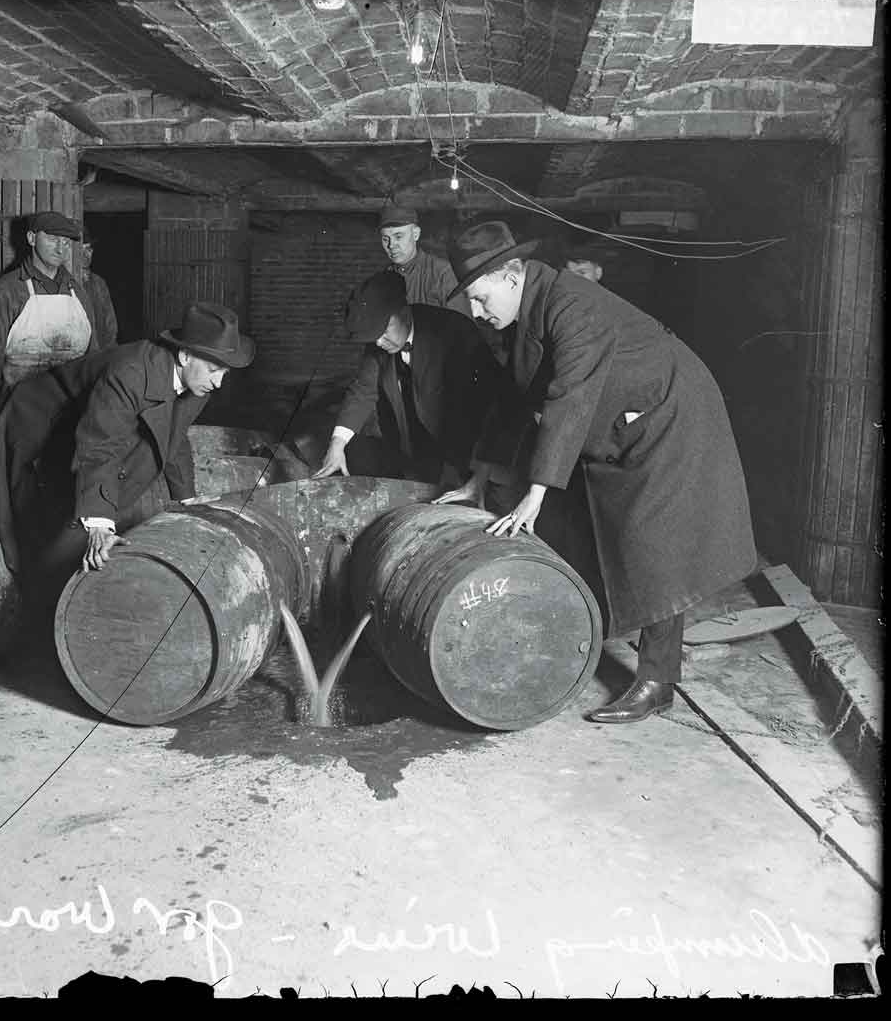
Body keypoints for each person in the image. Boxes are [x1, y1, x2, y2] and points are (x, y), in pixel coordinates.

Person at [436, 221, 757, 724]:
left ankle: (658, 681)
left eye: (480, 298)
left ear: (513, 274)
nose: (477, 311)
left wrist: (535, 491)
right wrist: (479, 476)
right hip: (620, 422)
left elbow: (570, 395)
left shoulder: (572, 301)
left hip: (669, 415)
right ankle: (586, 632)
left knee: (655, 547)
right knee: (595, 530)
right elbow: (512, 400)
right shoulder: (522, 313)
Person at [0, 302, 255, 609]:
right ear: (185, 356)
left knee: (91, 505)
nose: (219, 381)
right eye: (213, 370)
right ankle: (28, 605)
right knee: (38, 527)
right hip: (39, 418)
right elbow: (100, 445)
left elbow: (174, 433)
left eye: (224, 372)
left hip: (85, 421)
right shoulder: (130, 373)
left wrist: (186, 496)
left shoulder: (200, 384)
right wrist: (100, 522)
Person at [311, 270, 504, 488]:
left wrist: (458, 465)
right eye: (374, 338)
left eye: (384, 333)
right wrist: (337, 445)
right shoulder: (378, 342)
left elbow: (476, 405)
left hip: (470, 448)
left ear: (403, 312)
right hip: (411, 445)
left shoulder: (454, 331)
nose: (379, 344)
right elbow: (363, 391)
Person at [0, 211, 112, 429]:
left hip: (70, 411)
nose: (60, 248)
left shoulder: (78, 293)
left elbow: (92, 357)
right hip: (18, 412)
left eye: (65, 242)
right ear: (31, 238)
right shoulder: (6, 292)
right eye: (52, 239)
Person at [375, 205, 473, 318]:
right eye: (385, 239)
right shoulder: (384, 278)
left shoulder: (443, 273)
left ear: (415, 234)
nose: (391, 245)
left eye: (398, 236)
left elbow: (464, 327)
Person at [78, 232, 120, 348]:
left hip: (100, 352)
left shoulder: (99, 282)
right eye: (81, 249)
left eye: (89, 249)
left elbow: (110, 323)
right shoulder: (68, 281)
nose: (85, 255)